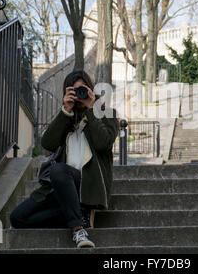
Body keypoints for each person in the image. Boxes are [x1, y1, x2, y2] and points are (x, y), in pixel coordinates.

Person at [10, 70, 119, 248]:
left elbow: (103, 143)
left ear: (91, 90)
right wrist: (66, 110)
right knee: (18, 218)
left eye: (83, 89)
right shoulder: (67, 117)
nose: (79, 95)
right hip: (62, 185)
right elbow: (48, 143)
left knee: (58, 169)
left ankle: (78, 229)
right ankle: (77, 213)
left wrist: (92, 108)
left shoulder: (107, 114)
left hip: (88, 183)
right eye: (74, 91)